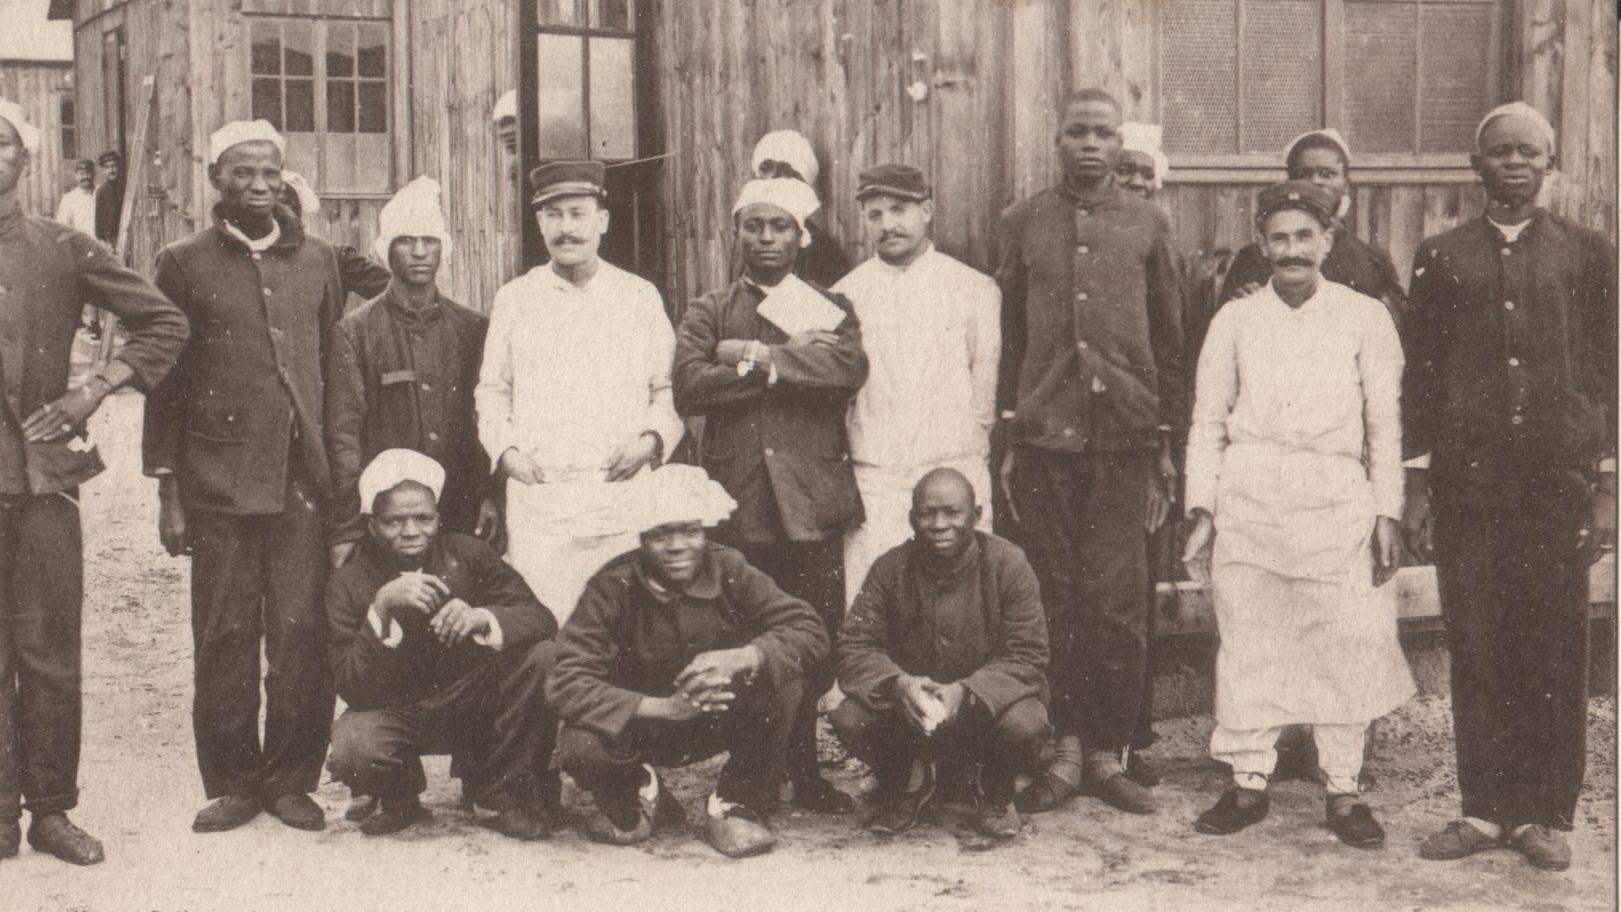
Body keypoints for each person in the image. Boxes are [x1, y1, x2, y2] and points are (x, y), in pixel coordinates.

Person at [1405, 102, 1616, 872]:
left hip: (1554, 487)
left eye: (1530, 152)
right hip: (1470, 488)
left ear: (1549, 162)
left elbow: (1607, 373)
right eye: (1500, 152)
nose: (1515, 164)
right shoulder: (1441, 256)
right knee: (1478, 641)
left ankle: (1544, 814)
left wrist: (1605, 488)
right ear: (1477, 165)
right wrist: (1421, 487)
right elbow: (1421, 381)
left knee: (1555, 645)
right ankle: (1484, 809)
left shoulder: (1588, 255)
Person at [1180, 180, 1414, 848]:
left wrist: (1384, 512)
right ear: (1261, 246)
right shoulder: (1235, 320)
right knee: (1250, 638)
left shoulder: (1364, 316)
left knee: (1343, 639)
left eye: (1303, 237)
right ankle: (1247, 781)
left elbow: (1384, 425)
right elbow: (1206, 420)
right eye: (1277, 238)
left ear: (1327, 242)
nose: (1290, 251)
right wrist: (1202, 508)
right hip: (1250, 494)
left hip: (1334, 497)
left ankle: (1342, 790)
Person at [143, 120, 357, 834]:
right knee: (225, 632)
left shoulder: (322, 259)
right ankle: (234, 780)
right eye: (241, 174)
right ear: (216, 181)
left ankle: (292, 778)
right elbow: (166, 383)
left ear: (285, 178)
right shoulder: (182, 261)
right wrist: (169, 490)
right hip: (217, 484)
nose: (259, 186)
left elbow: (331, 372)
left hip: (301, 482)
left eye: (269, 173)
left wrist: (338, 482)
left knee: (300, 632)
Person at [0, 99, 187, 866]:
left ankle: (50, 811)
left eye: (0, 144)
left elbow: (164, 321)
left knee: (48, 653)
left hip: (45, 482)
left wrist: (94, 388)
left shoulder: (65, 247)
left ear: (23, 160)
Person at [995, 87, 1184, 817]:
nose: (1089, 146)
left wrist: (1165, 441)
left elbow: (1169, 341)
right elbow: (1011, 336)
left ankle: (1109, 752)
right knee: (1055, 598)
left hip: (1124, 442)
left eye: (1102, 134)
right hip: (1045, 440)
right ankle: (1063, 749)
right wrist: (1012, 434)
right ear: (1057, 140)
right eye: (1076, 132)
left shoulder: (1147, 222)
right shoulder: (1023, 223)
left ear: (1118, 143)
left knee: (1115, 602)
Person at [673, 176, 869, 815]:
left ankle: (806, 774)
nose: (765, 238)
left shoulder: (827, 305)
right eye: (754, 226)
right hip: (740, 507)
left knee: (810, 642)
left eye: (778, 226)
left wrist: (752, 355)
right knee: (743, 640)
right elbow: (690, 388)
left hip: (808, 507)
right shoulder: (708, 308)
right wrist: (782, 366)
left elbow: (844, 372)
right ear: (738, 232)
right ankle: (751, 770)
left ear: (800, 236)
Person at [548, 465, 830, 858]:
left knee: (785, 679)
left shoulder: (730, 568)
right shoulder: (611, 586)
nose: (677, 545)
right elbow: (564, 679)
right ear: (642, 537)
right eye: (662, 534)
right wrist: (665, 707)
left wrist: (744, 656)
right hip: (642, 724)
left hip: (720, 714)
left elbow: (807, 628)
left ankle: (735, 801)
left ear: (705, 531)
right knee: (580, 744)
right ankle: (639, 794)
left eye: (691, 531)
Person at [475, 160, 683, 627]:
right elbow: (492, 390)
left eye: (577, 213)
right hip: (541, 501)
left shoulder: (638, 296)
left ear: (602, 221)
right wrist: (507, 454)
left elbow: (666, 388)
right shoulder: (515, 298)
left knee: (622, 627)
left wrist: (649, 442)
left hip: (619, 496)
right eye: (553, 215)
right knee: (544, 628)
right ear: (539, 222)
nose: (566, 229)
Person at [324, 450, 558, 839]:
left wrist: (483, 617)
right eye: (394, 521)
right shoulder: (348, 583)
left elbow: (539, 617)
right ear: (371, 525)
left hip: (474, 701)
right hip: (399, 710)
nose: (411, 531)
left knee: (544, 657)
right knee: (353, 747)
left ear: (438, 517)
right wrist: (381, 608)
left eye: (423, 518)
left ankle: (496, 790)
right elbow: (350, 684)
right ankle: (399, 796)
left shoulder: (467, 554)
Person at [833, 468, 1048, 841]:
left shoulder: (1008, 564)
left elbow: (1028, 653)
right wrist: (899, 684)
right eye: (927, 514)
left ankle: (995, 792)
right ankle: (904, 782)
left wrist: (967, 691)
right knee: (850, 716)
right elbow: (854, 645)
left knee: (1026, 721)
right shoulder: (889, 568)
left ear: (976, 516)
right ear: (912, 519)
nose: (938, 524)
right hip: (910, 712)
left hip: (984, 712)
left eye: (952, 513)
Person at [835, 164, 1000, 608]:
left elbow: (985, 385)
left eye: (899, 209)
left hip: (953, 468)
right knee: (874, 599)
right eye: (874, 214)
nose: (887, 224)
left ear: (926, 210)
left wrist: (966, 451)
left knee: (963, 600)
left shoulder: (972, 288)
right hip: (877, 478)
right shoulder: (845, 295)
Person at [326, 176, 499, 565]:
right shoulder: (355, 332)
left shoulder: (473, 328)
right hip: (390, 517)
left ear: (444, 250)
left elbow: (492, 417)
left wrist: (492, 495)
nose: (419, 252)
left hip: (460, 509)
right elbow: (344, 437)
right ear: (386, 250)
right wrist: (348, 525)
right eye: (405, 240)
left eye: (430, 240)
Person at [1198, 129, 1405, 361]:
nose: (1316, 181)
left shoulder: (1371, 260)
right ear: (1290, 181)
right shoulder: (1257, 257)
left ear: (1346, 185)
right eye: (1304, 174)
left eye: (1327, 173)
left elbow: (1394, 336)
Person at [747, 130, 849, 287]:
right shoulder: (747, 241)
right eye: (767, 169)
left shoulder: (824, 251)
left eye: (786, 173)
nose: (774, 182)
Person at [54, 159, 96, 237]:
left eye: (88, 173)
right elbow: (63, 227)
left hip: (101, 244)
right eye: (82, 174)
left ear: (94, 174)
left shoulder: (101, 192)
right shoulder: (68, 199)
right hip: (81, 244)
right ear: (76, 176)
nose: (85, 177)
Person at [92, 151, 122, 250]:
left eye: (114, 166)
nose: (111, 170)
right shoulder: (101, 192)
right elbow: (99, 222)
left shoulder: (125, 188)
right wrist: (104, 242)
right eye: (107, 167)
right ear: (103, 170)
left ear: (118, 167)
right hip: (111, 240)